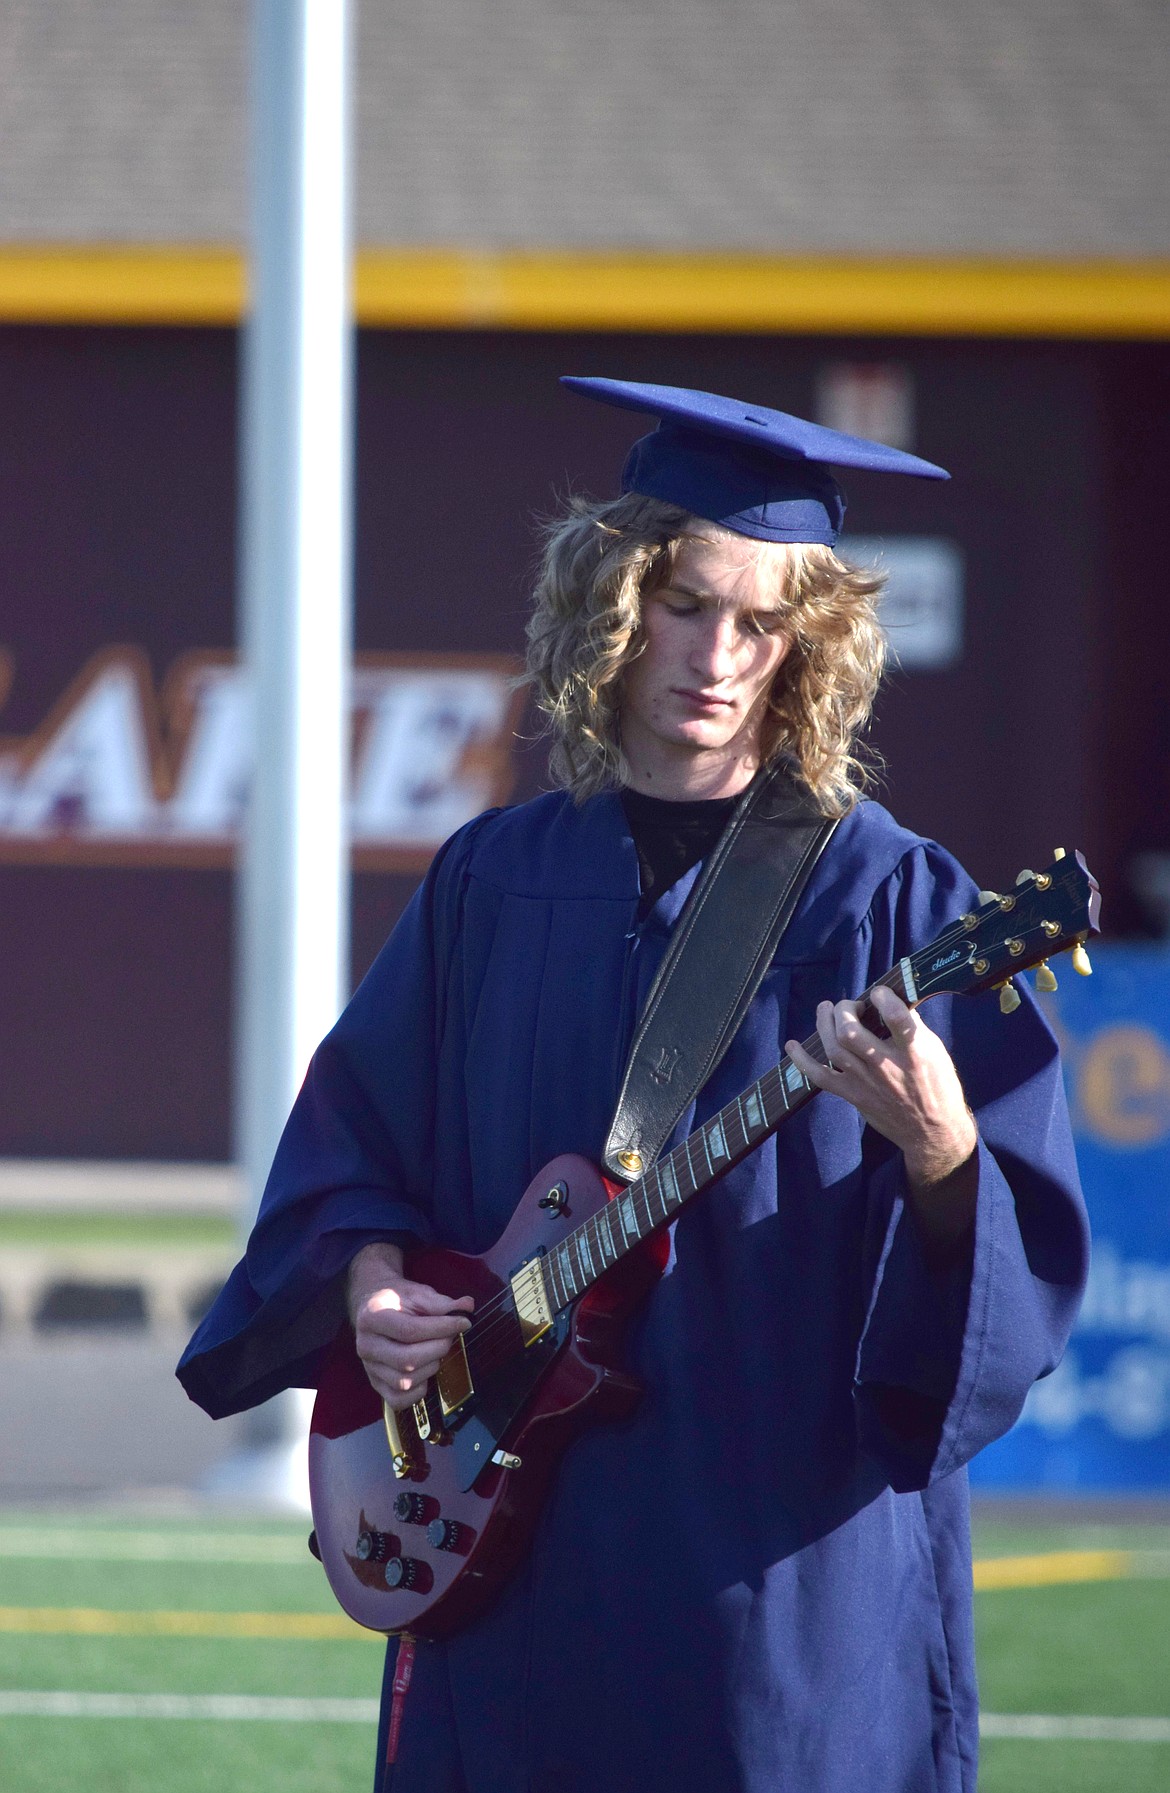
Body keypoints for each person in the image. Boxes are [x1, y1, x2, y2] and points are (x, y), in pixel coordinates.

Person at [179, 377, 1089, 1793]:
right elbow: (354, 1142)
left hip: (769, 1594)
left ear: (813, 646)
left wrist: (943, 1152)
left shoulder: (894, 901)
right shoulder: (495, 876)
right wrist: (365, 1286)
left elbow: (1011, 1271)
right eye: (683, 600)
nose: (716, 654)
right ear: (614, 598)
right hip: (507, 1552)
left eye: (761, 620)